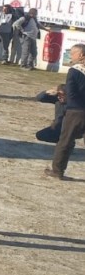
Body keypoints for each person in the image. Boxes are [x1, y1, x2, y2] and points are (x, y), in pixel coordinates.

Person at [45, 44, 85, 180]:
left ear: (81, 55)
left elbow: (71, 92)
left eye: (73, 53)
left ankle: (57, 171)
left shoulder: (74, 71)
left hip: (76, 111)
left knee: (65, 141)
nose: (71, 55)